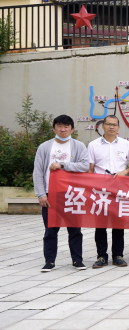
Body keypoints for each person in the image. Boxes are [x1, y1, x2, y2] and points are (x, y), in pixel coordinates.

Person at [34, 115, 90, 272]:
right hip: (50, 194)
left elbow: (84, 166)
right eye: (59, 126)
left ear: (72, 129)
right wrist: (41, 194)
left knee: (75, 229)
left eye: (66, 126)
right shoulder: (44, 147)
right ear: (54, 128)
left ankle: (77, 260)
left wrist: (63, 165)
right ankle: (49, 261)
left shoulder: (78, 146)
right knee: (50, 229)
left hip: (72, 194)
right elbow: (38, 172)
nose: (63, 129)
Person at [87, 115, 129, 268]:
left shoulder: (126, 144)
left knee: (118, 222)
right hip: (100, 189)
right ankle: (101, 256)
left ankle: (118, 255)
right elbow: (90, 169)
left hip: (120, 187)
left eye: (114, 124)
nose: (111, 127)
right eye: (108, 124)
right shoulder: (93, 145)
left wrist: (124, 172)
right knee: (100, 223)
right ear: (103, 126)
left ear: (118, 127)